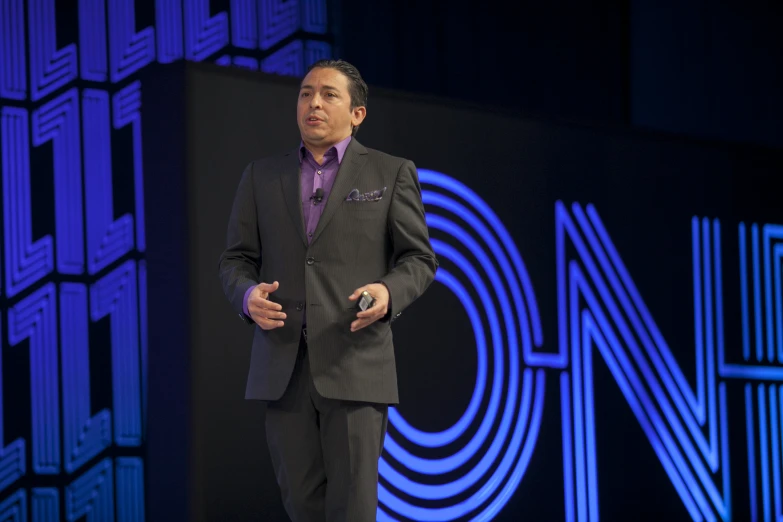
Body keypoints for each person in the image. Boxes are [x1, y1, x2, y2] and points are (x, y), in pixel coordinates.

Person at [218, 59, 438, 521]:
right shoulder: (261, 175)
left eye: (328, 95)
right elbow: (236, 260)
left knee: (353, 509)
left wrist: (387, 291)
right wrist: (246, 296)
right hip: (283, 366)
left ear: (357, 114)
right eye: (305, 93)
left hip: (355, 362)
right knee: (301, 507)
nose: (313, 103)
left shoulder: (390, 172)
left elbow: (419, 259)